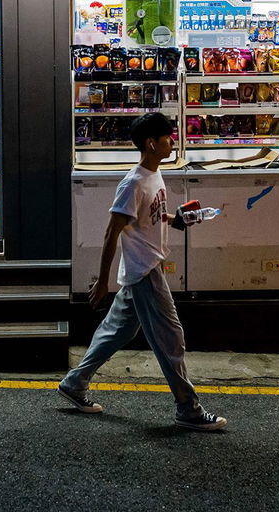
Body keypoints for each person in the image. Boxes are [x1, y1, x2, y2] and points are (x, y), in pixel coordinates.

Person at [57, 112, 227, 431]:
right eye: (167, 138)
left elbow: (148, 217)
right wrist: (102, 280)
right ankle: (187, 409)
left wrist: (175, 219)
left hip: (146, 266)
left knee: (116, 331)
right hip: (144, 271)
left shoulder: (154, 174)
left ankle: (74, 383)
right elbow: (113, 231)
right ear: (151, 143)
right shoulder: (133, 182)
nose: (172, 142)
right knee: (170, 339)